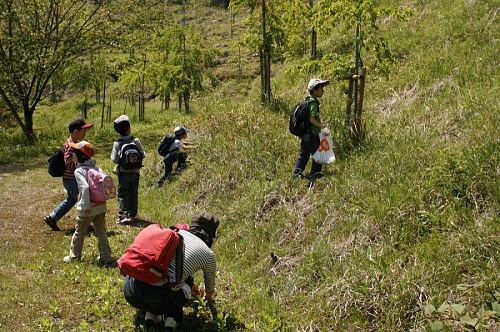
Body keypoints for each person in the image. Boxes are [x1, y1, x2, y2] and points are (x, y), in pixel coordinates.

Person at [123, 211, 219, 331]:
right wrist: (204, 297)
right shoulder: (208, 254)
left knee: (153, 278)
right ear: (211, 236)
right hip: (162, 299)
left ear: (192, 226)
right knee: (185, 281)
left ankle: (151, 316)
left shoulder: (175, 233)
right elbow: (209, 291)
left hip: (132, 291)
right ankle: (171, 321)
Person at [63, 140, 115, 266]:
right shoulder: (96, 168)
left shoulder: (79, 171)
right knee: (101, 231)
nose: (72, 155)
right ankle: (106, 257)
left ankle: (74, 256)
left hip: (87, 208)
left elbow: (85, 188)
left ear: (79, 156)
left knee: (79, 232)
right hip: (101, 206)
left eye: (74, 153)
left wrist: (85, 206)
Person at [44, 118, 93, 231]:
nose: (85, 133)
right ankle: (84, 223)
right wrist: (79, 162)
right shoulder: (71, 146)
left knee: (72, 199)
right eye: (83, 131)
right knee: (84, 199)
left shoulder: (75, 143)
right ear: (76, 132)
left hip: (70, 179)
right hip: (71, 180)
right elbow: (68, 162)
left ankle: (52, 218)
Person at [291, 78, 330, 181]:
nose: (323, 90)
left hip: (305, 135)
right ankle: (314, 175)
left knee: (303, 155)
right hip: (312, 134)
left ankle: (296, 174)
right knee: (319, 154)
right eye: (321, 88)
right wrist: (322, 127)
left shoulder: (307, 101)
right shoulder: (313, 103)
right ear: (314, 90)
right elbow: (311, 119)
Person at [110, 115, 145, 224]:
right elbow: (142, 154)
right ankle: (133, 215)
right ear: (129, 128)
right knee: (133, 193)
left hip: (123, 172)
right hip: (135, 172)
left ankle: (124, 216)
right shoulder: (136, 140)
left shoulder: (118, 143)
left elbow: (114, 159)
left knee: (122, 194)